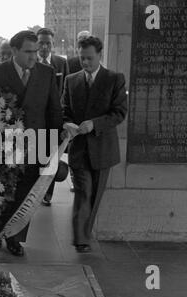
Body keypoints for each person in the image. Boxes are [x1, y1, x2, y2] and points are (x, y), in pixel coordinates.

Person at [0, 31, 63, 256]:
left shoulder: (46, 73)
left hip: (36, 144)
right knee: (2, 190)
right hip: (2, 145)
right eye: (28, 52)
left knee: (26, 193)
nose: (34, 56)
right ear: (14, 51)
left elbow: (54, 110)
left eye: (36, 51)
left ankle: (15, 237)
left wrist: (53, 148)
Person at [61, 36, 127, 253]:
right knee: (83, 192)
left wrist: (94, 124)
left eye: (89, 58)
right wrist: (67, 123)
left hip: (103, 150)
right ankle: (81, 239)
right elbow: (64, 110)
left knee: (95, 195)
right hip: (79, 150)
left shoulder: (114, 79)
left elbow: (119, 113)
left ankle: (85, 234)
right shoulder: (71, 80)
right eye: (82, 58)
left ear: (100, 55)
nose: (86, 63)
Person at [36, 28, 70, 207]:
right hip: (34, 120)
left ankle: (47, 194)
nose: (44, 46)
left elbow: (67, 90)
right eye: (41, 42)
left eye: (48, 43)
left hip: (54, 120)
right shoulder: (31, 62)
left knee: (51, 158)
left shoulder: (61, 63)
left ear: (52, 44)